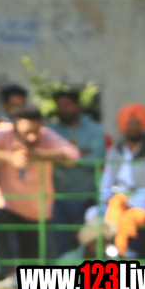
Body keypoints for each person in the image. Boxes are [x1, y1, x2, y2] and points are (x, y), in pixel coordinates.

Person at [0, 106, 80, 289]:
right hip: (7, 205)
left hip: (38, 214)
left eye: (36, 131)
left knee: (32, 280)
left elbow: (72, 155)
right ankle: (8, 273)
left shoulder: (46, 137)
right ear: (15, 125)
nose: (31, 136)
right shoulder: (2, 133)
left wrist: (38, 154)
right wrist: (8, 157)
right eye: (27, 131)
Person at [98, 103, 145, 259]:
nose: (133, 127)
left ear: (143, 125)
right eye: (129, 123)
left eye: (137, 123)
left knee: (129, 219)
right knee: (94, 215)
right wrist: (110, 198)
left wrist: (130, 199)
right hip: (115, 202)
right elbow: (105, 184)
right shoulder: (114, 152)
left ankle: (125, 253)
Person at [47, 89, 107, 258]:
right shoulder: (51, 130)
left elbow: (98, 158)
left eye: (67, 105)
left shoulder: (94, 129)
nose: (63, 109)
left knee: (88, 246)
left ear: (78, 106)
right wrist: (81, 153)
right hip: (58, 200)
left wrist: (68, 157)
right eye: (59, 106)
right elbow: (45, 155)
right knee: (59, 247)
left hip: (86, 199)